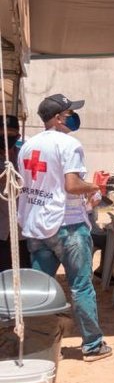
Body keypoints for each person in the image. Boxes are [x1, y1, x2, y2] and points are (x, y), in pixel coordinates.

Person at [18, 94, 112, 362]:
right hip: (67, 225)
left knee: (41, 289)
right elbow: (71, 185)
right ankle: (93, 345)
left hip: (37, 226)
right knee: (81, 286)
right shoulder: (69, 144)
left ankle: (36, 345)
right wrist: (94, 186)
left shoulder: (28, 147)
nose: (72, 117)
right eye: (69, 112)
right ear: (58, 117)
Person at [0, 115, 29, 272]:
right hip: (2, 229)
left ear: (17, 136)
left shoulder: (24, 157)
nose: (6, 139)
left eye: (11, 135)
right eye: (3, 135)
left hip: (22, 230)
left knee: (23, 272)